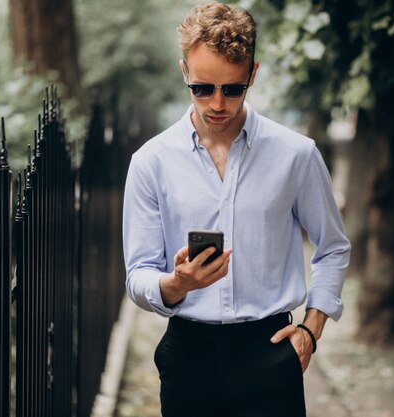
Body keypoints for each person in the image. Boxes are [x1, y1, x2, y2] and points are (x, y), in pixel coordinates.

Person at [122, 2, 350, 416]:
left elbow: (333, 247)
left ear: (252, 74)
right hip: (188, 357)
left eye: (232, 88)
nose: (217, 104)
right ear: (184, 73)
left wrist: (311, 330)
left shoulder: (296, 155)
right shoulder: (150, 162)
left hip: (270, 353)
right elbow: (138, 273)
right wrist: (177, 285)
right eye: (202, 88)